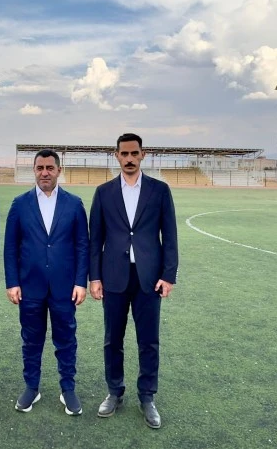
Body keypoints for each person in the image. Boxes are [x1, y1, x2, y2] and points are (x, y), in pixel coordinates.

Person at [89, 133, 179, 429]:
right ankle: (114, 391)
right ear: (116, 155)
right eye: (124, 154)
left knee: (148, 341)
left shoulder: (159, 190)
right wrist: (95, 277)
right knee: (112, 340)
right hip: (113, 277)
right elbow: (95, 239)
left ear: (143, 155)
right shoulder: (103, 192)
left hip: (149, 279)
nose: (129, 159)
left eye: (134, 153)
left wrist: (168, 275)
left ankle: (147, 396)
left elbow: (170, 235)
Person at [4, 149, 89, 415]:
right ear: (34, 170)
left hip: (65, 287)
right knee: (31, 340)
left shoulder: (74, 204)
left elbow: (82, 245)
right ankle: (32, 387)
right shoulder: (20, 204)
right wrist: (12, 282)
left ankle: (68, 389)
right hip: (30, 286)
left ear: (58, 170)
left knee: (66, 339)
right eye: (40, 168)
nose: (44, 173)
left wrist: (81, 282)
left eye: (49, 168)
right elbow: (10, 247)